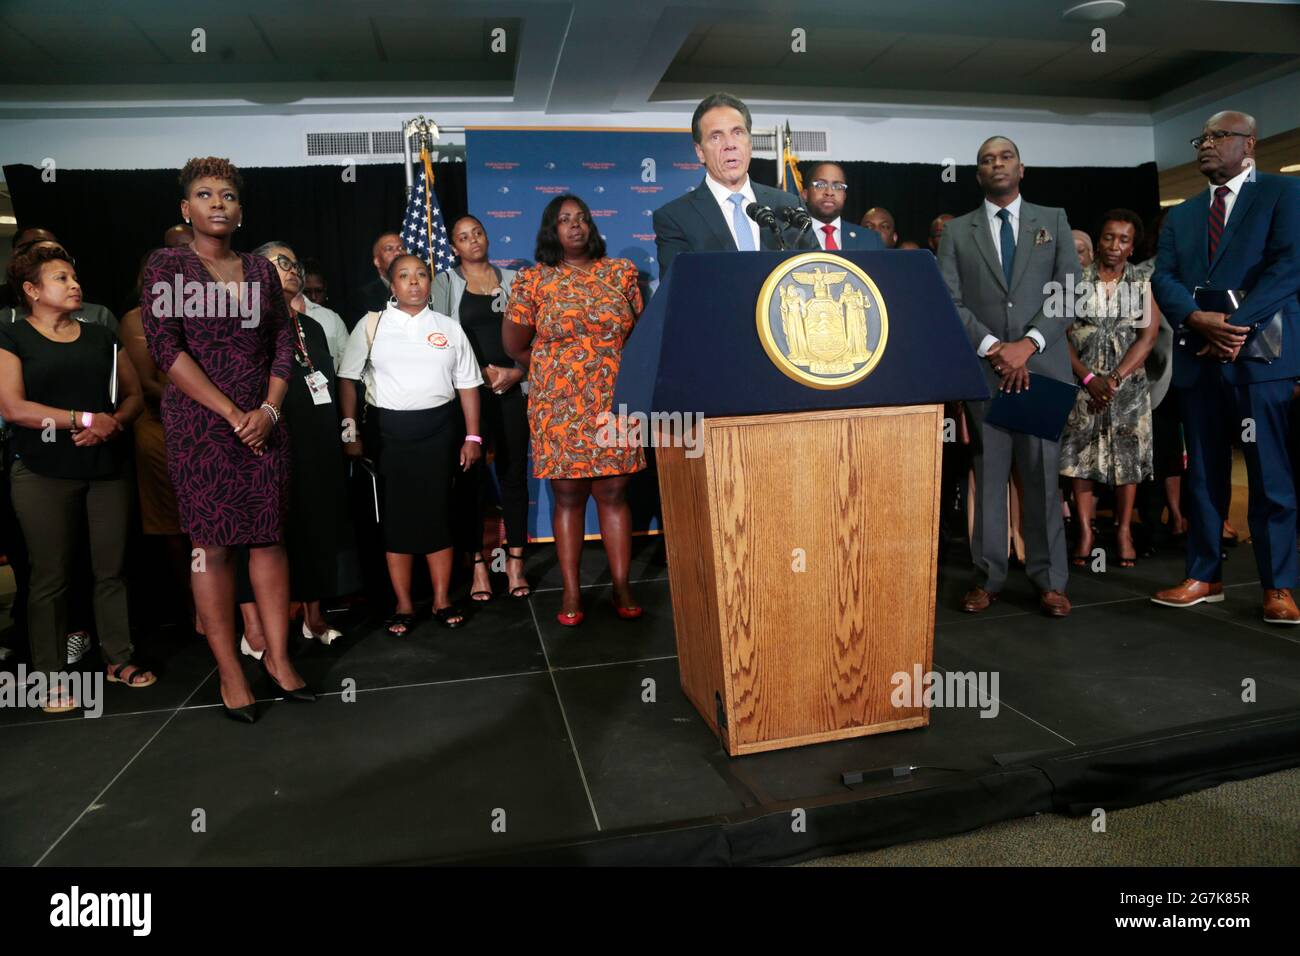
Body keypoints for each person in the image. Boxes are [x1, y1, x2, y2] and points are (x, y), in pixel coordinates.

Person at [141, 156, 312, 723]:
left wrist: (266, 409)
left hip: (265, 423)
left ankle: (280, 662)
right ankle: (232, 672)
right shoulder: (168, 266)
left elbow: (284, 345)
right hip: (201, 428)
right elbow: (167, 351)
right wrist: (233, 412)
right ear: (185, 208)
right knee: (211, 547)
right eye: (205, 194)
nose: (218, 203)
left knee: (268, 539)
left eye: (228, 195)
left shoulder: (262, 272)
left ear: (241, 209)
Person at [1150, 110, 1300, 623]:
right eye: (1202, 137)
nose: (1205, 145)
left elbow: (1288, 268)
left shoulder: (1282, 195)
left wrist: (1233, 325)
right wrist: (1195, 317)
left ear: (1249, 142)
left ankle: (1279, 586)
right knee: (1205, 475)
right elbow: (1163, 277)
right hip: (1200, 359)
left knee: (1270, 476)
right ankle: (1204, 575)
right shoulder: (1184, 214)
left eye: (1218, 136)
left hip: (1261, 357)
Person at [0, 244, 154, 712]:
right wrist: (84, 419)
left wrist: (115, 423)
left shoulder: (101, 335)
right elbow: (13, 407)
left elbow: (132, 398)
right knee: (50, 575)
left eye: (74, 277)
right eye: (61, 278)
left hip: (105, 470)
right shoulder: (11, 337)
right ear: (31, 290)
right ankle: (49, 677)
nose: (74, 285)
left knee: (111, 570)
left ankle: (118, 658)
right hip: (43, 473)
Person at [938, 135, 1078, 618]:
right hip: (986, 372)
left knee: (1042, 478)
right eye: (986, 160)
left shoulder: (1053, 220)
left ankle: (1050, 581)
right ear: (978, 174)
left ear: (1022, 169)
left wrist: (1027, 345)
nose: (996, 164)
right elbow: (949, 301)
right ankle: (988, 577)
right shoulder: (958, 232)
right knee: (989, 478)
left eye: (1005, 157)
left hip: (1041, 369)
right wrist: (995, 348)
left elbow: (1069, 292)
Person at [504, 194, 644, 626]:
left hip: (614, 400)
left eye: (582, 219)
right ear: (552, 229)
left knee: (613, 492)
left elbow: (640, 334)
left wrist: (606, 371)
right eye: (565, 220)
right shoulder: (534, 280)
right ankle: (570, 590)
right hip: (558, 404)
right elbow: (514, 345)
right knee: (567, 496)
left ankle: (621, 584)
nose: (576, 226)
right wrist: (556, 369)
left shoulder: (620, 273)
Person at [337, 254, 483, 634]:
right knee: (396, 522)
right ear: (391, 283)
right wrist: (350, 431)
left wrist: (472, 436)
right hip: (389, 435)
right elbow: (348, 379)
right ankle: (402, 603)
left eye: (421, 275)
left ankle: (441, 599)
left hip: (439, 433)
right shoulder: (371, 325)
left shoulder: (448, 327)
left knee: (438, 515)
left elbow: (467, 384)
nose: (414, 282)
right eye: (404, 276)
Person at [236, 242, 357, 653]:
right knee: (264, 536)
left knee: (316, 528)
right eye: (280, 262)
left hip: (317, 444)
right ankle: (255, 627)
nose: (291, 269)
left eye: (294, 262)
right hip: (269, 442)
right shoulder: (247, 322)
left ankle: (313, 615)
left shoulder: (313, 326)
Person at [430, 215, 530, 601]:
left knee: (513, 474)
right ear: (453, 246)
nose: (473, 241)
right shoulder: (445, 283)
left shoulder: (514, 280)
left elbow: (532, 335)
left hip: (511, 389)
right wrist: (472, 376)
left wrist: (516, 373)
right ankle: (478, 568)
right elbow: (437, 335)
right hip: (467, 396)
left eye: (478, 233)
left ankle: (516, 563)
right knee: (469, 481)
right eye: (463, 237)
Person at [1059, 210, 1160, 569]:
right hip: (1083, 384)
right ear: (1099, 241)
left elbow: (1148, 338)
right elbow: (1060, 335)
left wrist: (1115, 379)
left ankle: (1122, 531)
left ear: (1133, 246)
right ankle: (1085, 531)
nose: (1114, 246)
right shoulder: (1074, 280)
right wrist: (1089, 378)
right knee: (1081, 458)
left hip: (1127, 387)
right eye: (1108, 237)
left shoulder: (1141, 281)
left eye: (1123, 240)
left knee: (1127, 459)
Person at [652, 92, 816, 279]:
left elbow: (814, 270)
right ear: (700, 152)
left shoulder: (788, 205)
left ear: (749, 143)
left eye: (738, 133)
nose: (730, 145)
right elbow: (679, 290)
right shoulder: (675, 218)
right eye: (716, 137)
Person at [120, 248, 198, 636]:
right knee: (175, 525)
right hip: (162, 427)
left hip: (208, 426)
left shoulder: (205, 311)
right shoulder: (135, 319)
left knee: (210, 524)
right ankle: (192, 607)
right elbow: (148, 384)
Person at [799, 162, 883, 251]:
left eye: (837, 186)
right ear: (805, 195)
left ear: (844, 196)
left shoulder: (870, 239)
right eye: (820, 185)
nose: (829, 192)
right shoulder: (789, 237)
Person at [349, 232, 405, 328]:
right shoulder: (363, 297)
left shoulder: (419, 291)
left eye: (401, 248)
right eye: (389, 249)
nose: (397, 253)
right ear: (377, 261)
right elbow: (369, 334)